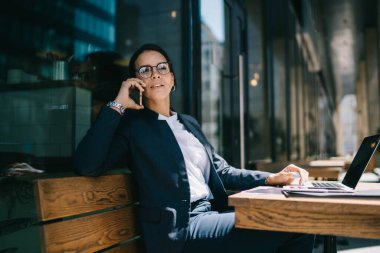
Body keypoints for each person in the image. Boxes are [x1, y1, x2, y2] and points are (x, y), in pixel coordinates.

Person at [74, 43, 315, 253]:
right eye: (145, 70)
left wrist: (272, 178)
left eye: (162, 68)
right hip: (181, 228)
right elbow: (88, 164)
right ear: (136, 83)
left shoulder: (188, 123)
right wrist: (117, 105)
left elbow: (223, 171)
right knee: (295, 223)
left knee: (300, 219)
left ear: (172, 78)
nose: (155, 74)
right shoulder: (132, 127)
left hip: (211, 214)